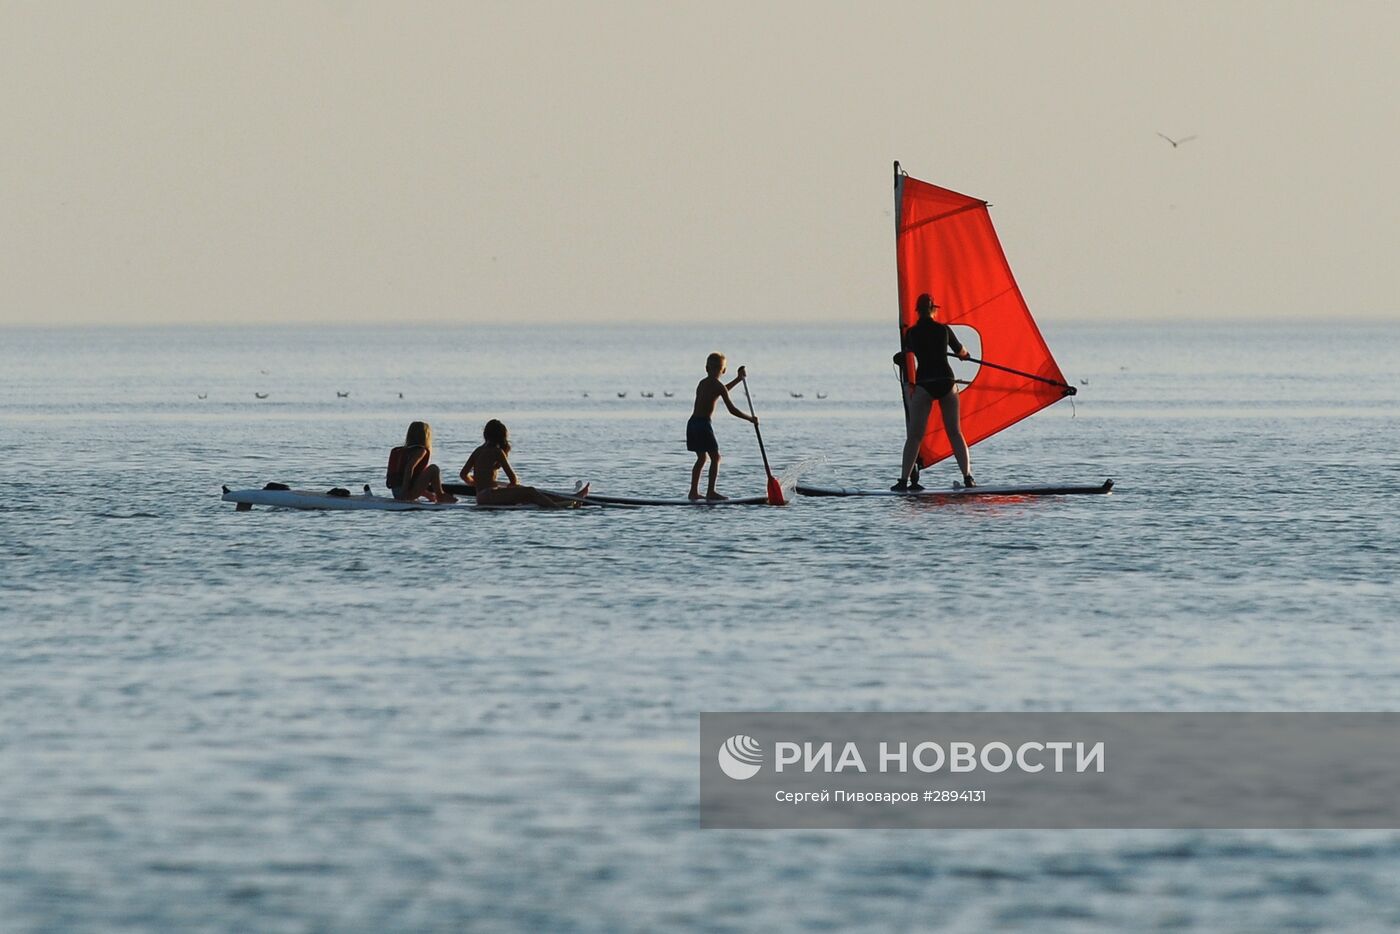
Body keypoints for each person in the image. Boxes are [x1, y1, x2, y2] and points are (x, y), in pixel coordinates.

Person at [894, 294, 975, 490]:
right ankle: (968, 478)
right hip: (946, 382)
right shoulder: (943, 329)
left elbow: (905, 358)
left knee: (915, 436)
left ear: (917, 311)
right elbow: (961, 351)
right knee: (955, 432)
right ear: (934, 310)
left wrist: (899, 357)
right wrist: (966, 356)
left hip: (925, 384)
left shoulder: (911, 334)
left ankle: (903, 481)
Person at [460, 420, 580, 508]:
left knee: (529, 494)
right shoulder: (497, 452)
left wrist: (475, 482)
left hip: (480, 497)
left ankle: (567, 498)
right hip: (491, 496)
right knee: (530, 491)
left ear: (486, 434)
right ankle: (557, 509)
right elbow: (513, 479)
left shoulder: (478, 450)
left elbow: (463, 474)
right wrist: (513, 486)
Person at [687, 352, 757, 500]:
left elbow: (719, 391)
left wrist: (738, 379)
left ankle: (693, 492)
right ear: (724, 370)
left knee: (701, 458)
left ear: (706, 368)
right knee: (715, 457)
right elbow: (731, 409)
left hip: (692, 423)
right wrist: (750, 418)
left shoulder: (702, 383)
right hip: (703, 424)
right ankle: (710, 492)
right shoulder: (718, 386)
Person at [386, 421, 458, 503]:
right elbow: (409, 468)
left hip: (396, 491)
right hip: (404, 493)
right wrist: (404, 493)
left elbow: (413, 479)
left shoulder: (402, 451)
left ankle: (436, 495)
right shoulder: (421, 450)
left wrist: (427, 495)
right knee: (434, 469)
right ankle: (440, 496)